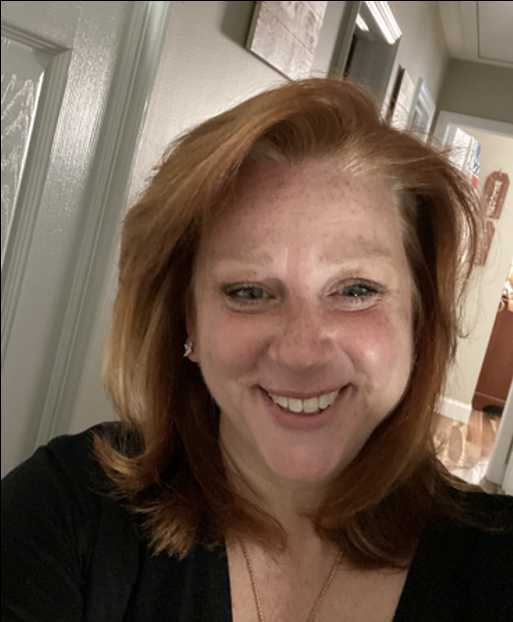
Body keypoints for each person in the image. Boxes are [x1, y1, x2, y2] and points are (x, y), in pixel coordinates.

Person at [2, 78, 512, 622]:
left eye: (356, 290)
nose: (301, 353)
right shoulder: (68, 510)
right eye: (248, 292)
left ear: (418, 317)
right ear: (187, 321)